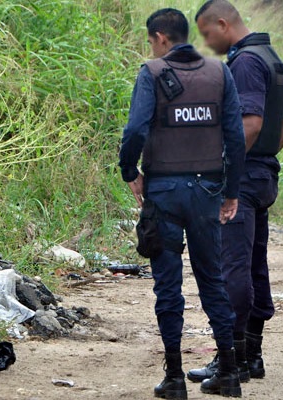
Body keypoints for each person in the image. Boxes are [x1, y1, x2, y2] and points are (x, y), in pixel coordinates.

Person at [118, 8, 246, 399]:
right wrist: (231, 191)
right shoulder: (219, 72)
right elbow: (236, 138)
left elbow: (136, 130)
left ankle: (174, 378)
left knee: (168, 287)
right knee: (212, 281)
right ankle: (228, 372)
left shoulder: (151, 73)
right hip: (207, 193)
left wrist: (129, 171)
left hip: (164, 194)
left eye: (151, 41)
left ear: (160, 37)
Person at [187, 0, 283, 385]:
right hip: (262, 177)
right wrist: (265, 158)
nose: (206, 41)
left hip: (244, 180)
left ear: (222, 23)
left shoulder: (246, 62)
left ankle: (229, 360)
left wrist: (229, 172)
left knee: (230, 267)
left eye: (206, 33)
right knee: (253, 265)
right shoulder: (272, 58)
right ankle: (251, 357)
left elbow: (250, 124)